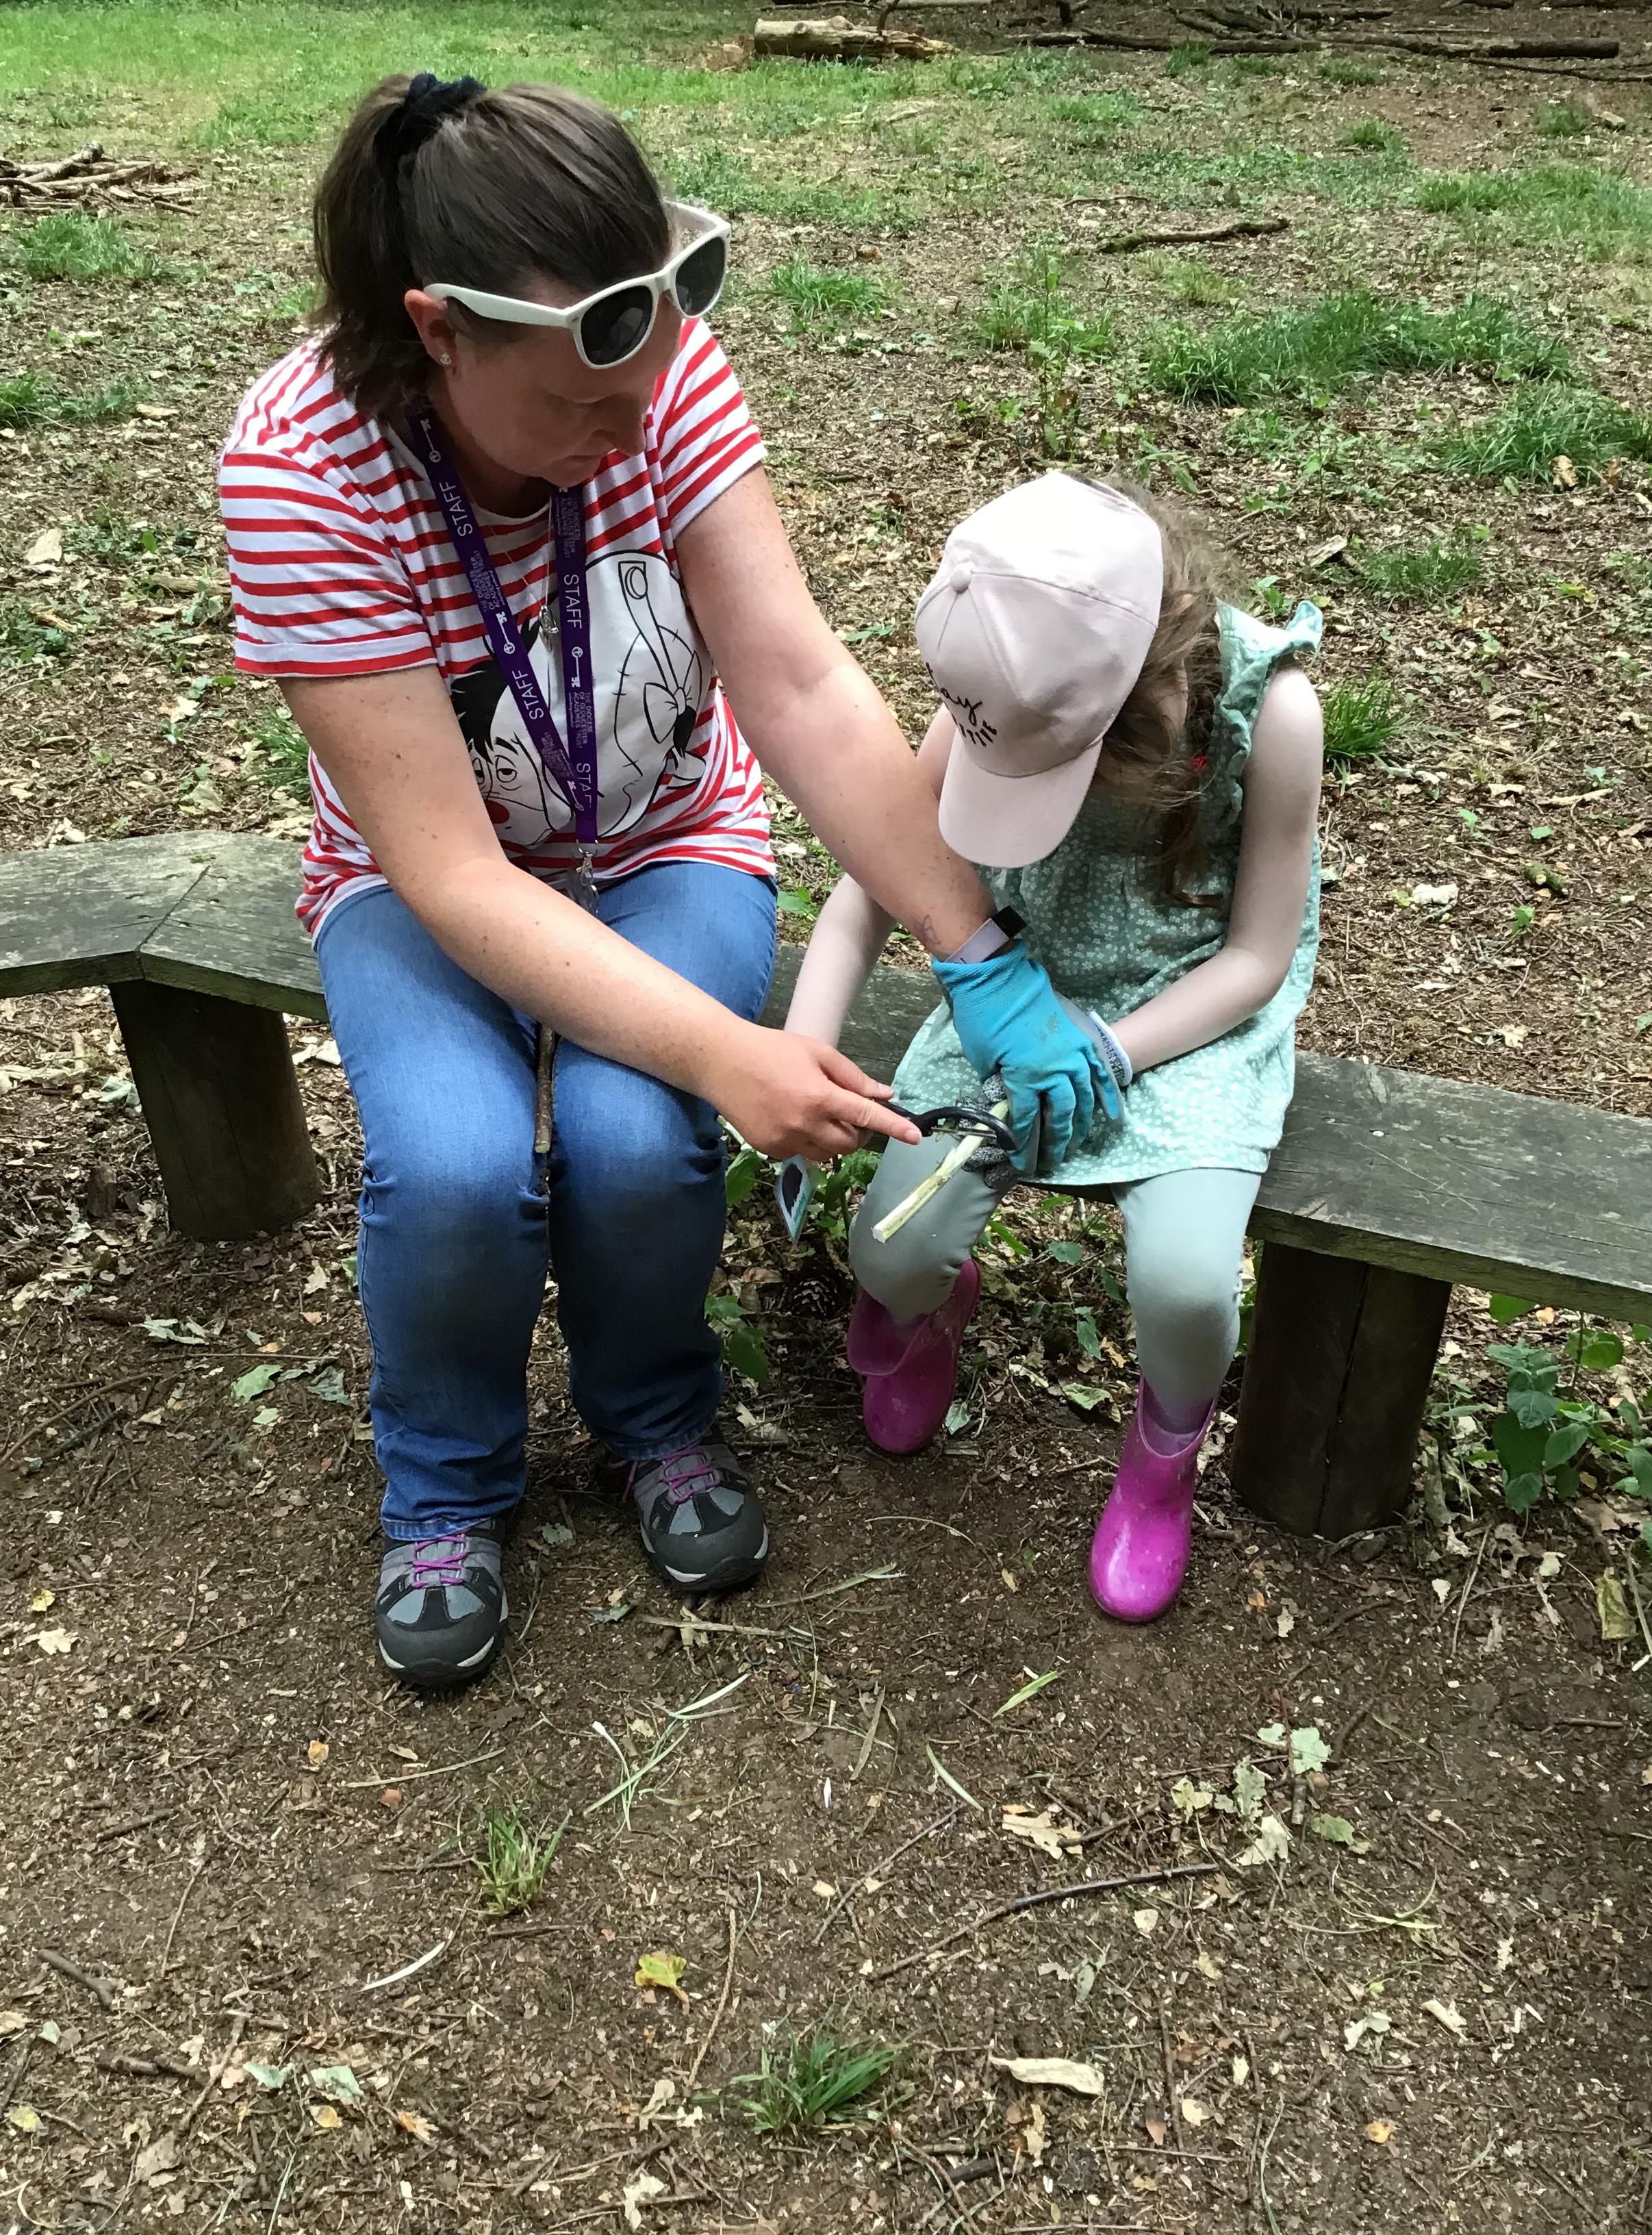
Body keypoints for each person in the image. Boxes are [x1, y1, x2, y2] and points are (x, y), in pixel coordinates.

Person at [218, 73, 1099, 1691]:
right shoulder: (299, 471)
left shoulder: (649, 357)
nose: (633, 433)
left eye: (645, 390)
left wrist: (977, 951)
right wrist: (729, 1051)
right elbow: (453, 876)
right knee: (456, 1169)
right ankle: (447, 1482)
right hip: (431, 886)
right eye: (583, 409)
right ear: (438, 333)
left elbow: (801, 684)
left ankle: (654, 1418)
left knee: (637, 1144)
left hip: (667, 837)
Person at [785, 472, 1324, 1622]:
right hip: (1012, 996)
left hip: (1186, 1027)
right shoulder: (1002, 697)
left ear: (1145, 697)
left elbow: (1257, 958)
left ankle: (1162, 1457)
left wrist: (1115, 1051)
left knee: (1186, 1287)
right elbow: (873, 884)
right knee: (892, 1246)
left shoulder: (1270, 717)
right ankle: (934, 1310)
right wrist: (803, 1042)